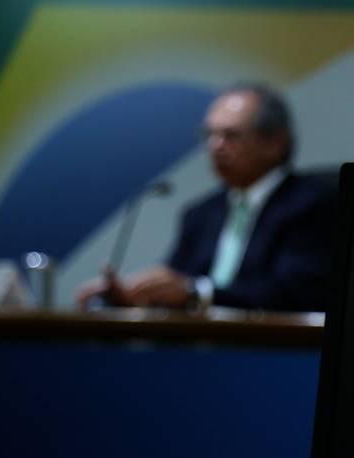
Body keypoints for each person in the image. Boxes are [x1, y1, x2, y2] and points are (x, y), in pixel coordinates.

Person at [75, 82, 334, 312]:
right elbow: (176, 283)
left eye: (231, 135)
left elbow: (292, 294)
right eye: (209, 135)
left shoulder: (313, 204)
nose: (215, 146)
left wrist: (197, 294)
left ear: (274, 143)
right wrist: (135, 294)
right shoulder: (201, 213)